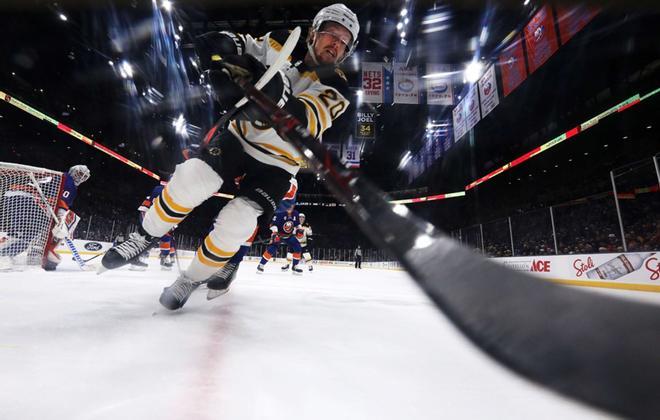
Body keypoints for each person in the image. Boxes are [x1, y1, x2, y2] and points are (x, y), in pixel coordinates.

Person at [100, 3, 358, 310]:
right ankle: (144, 237)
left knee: (238, 222)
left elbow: (303, 118)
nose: (336, 44)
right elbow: (240, 44)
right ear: (313, 32)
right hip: (238, 138)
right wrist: (222, 48)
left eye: (345, 42)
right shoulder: (279, 39)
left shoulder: (337, 84)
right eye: (332, 33)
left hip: (278, 163)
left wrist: (268, 84)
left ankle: (190, 278)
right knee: (190, 179)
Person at [0, 165, 90, 271]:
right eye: (79, 174)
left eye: (84, 177)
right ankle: (3, 256)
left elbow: (52, 198)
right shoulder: (69, 183)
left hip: (14, 197)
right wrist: (62, 219)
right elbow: (61, 203)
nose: (80, 178)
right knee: (29, 234)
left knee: (25, 233)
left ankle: (7, 253)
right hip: (26, 199)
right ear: (72, 171)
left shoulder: (59, 176)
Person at [257, 204, 303, 274]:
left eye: (292, 205)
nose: (291, 206)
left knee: (298, 248)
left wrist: (300, 229)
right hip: (278, 234)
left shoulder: (296, 213)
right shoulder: (280, 213)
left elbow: (297, 223)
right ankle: (261, 265)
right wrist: (275, 233)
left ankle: (295, 266)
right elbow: (273, 225)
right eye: (289, 204)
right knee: (272, 249)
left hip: (289, 235)